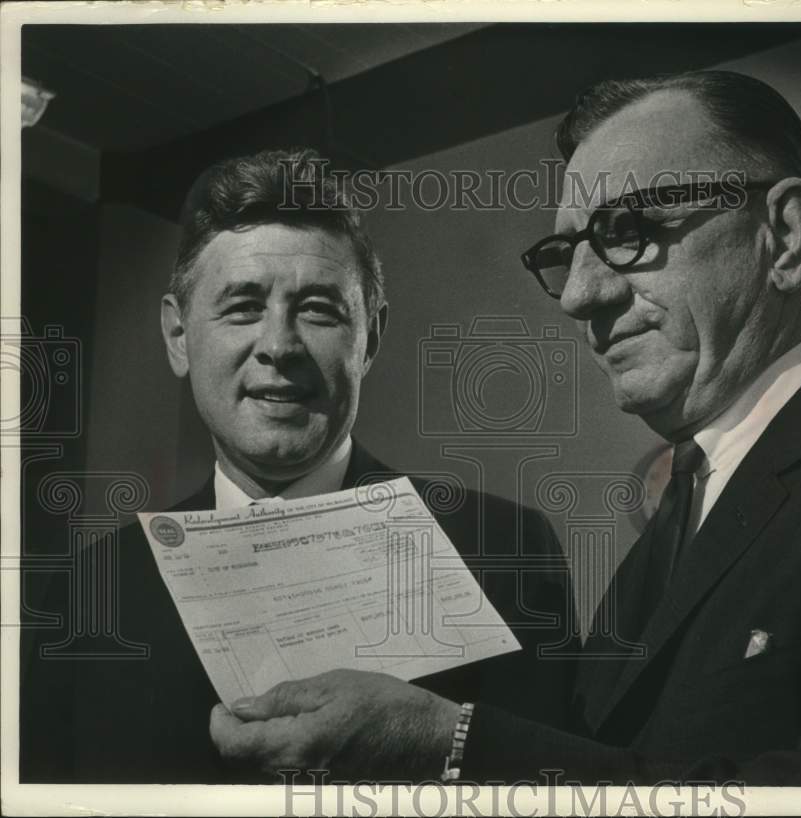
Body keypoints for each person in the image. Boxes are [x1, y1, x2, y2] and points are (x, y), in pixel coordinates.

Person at [206, 71, 801, 787]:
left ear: (786, 233)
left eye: (628, 230)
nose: (578, 294)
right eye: (567, 252)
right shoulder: (667, 538)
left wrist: (455, 744)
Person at [20, 148, 572, 784]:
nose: (279, 346)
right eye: (242, 306)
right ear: (178, 336)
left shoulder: (506, 549)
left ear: (372, 339)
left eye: (318, 309)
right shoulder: (91, 587)